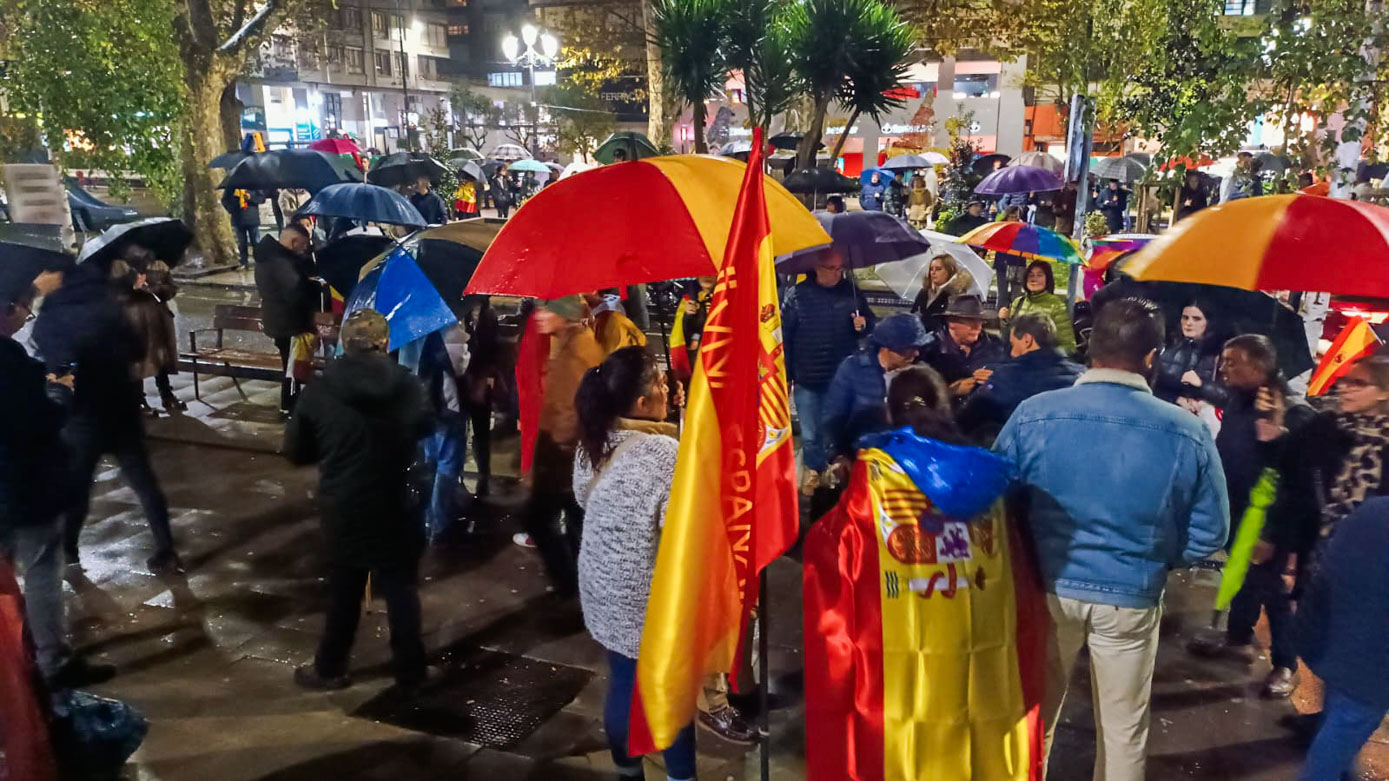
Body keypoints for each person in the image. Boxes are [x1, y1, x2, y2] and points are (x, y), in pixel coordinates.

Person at [994, 297, 1229, 781]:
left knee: (1032, 717)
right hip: (1131, 596)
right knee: (1123, 730)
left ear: (1090, 347)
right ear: (1151, 356)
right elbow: (1211, 531)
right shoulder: (1186, 430)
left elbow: (997, 506)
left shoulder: (1033, 414)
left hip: (1046, 588)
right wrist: (1154, 555)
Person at [803, 364, 1046, 781]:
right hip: (978, 635)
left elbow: (839, 545)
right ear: (945, 404)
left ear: (888, 411)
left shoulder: (878, 475)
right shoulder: (986, 475)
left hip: (905, 637)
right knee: (973, 727)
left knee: (911, 734)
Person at [571, 346, 702, 780]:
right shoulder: (662, 456)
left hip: (601, 583)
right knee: (668, 694)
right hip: (646, 594)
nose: (670, 387)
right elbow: (683, 526)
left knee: (623, 681)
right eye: (661, 385)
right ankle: (680, 775)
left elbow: (581, 496)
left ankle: (628, 770)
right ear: (643, 405)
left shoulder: (595, 437)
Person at [286, 310, 433, 691]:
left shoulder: (320, 389)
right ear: (385, 343)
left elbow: (297, 450)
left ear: (344, 344)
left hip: (344, 502)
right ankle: (411, 669)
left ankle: (330, 667)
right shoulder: (407, 384)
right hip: (396, 499)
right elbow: (427, 426)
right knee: (400, 587)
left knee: (345, 588)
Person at [0, 279, 116, 689]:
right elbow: (38, 422)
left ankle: (15, 658)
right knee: (43, 570)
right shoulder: (8, 361)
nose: (25, 318)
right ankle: (51, 663)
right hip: (23, 487)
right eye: (23, 310)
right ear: (8, 308)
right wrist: (58, 391)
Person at [31, 260, 182, 575]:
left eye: (44, 273)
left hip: (84, 413)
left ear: (58, 276)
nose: (40, 279)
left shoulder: (55, 313)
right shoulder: (106, 305)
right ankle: (165, 549)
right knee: (144, 482)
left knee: (79, 484)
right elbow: (137, 349)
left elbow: (51, 359)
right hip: (122, 407)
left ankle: (69, 547)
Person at [1187, 335, 1311, 698]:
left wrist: (1276, 435)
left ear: (1258, 367)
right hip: (1238, 509)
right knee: (1240, 574)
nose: (1223, 368)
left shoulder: (1289, 409)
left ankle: (1286, 664)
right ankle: (1237, 636)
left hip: (1269, 521)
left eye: (1232, 361)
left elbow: (1291, 480)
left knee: (1271, 590)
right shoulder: (1243, 399)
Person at [1294, 496, 1389, 781]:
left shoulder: (1373, 509)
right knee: (1343, 730)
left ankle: (1344, 772)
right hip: (1371, 664)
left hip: (1334, 640)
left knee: (1339, 719)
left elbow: (1326, 564)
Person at [517, 295, 604, 593]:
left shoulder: (576, 352)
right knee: (574, 521)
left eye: (547, 310)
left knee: (539, 519)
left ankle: (570, 585)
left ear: (564, 315)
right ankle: (578, 585)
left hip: (563, 459)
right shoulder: (572, 343)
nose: (539, 315)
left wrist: (554, 451)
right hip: (570, 459)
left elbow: (570, 412)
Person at [782, 252, 875, 494]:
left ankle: (832, 473)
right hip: (807, 376)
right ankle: (815, 470)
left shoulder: (851, 293)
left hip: (841, 378)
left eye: (839, 268)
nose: (837, 273)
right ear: (817, 268)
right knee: (811, 433)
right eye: (831, 268)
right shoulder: (797, 295)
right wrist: (787, 374)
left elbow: (870, 328)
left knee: (832, 430)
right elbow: (786, 338)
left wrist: (862, 326)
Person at [821, 313, 928, 472]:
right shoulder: (853, 369)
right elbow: (834, 417)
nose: (915, 354)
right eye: (908, 349)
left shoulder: (922, 374)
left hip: (905, 464)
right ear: (887, 348)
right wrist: (837, 455)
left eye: (917, 348)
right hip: (860, 461)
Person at [957, 313, 1082, 442]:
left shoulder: (1005, 377)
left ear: (1027, 340)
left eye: (1013, 344)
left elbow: (965, 421)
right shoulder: (1080, 375)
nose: (1012, 353)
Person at [253, 224, 318, 415]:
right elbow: (295, 292)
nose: (304, 249)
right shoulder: (280, 262)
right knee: (291, 368)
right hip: (289, 322)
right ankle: (290, 406)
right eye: (303, 245)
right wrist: (312, 287)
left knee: (290, 364)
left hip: (277, 319)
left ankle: (291, 404)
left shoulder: (267, 256)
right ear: (293, 242)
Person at [111, 249, 184, 414]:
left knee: (162, 357)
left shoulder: (159, 263)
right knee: (138, 360)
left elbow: (170, 288)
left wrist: (154, 288)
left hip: (159, 318)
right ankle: (138, 399)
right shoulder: (119, 265)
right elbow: (111, 294)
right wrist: (133, 287)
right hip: (134, 318)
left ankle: (167, 395)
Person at [918, 294, 1007, 398]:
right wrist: (951, 391)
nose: (978, 327)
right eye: (970, 321)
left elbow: (1009, 379)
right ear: (951, 322)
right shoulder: (928, 349)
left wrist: (996, 379)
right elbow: (917, 394)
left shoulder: (995, 345)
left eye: (980, 321)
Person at [1154, 300, 1230, 411]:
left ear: (1208, 323)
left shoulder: (1220, 354)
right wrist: (1176, 399)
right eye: (1185, 318)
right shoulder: (1167, 348)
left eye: (1196, 319)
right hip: (1168, 411)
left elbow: (1228, 397)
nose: (1189, 323)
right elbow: (1152, 385)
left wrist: (1201, 385)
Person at [460, 295, 501, 499]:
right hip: (462, 380)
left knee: (481, 431)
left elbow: (493, 349)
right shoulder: (461, 315)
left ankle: (484, 477)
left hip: (480, 380)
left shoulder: (489, 316)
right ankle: (460, 480)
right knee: (462, 430)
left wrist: (488, 376)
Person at [999, 260, 1076, 354]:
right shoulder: (1018, 302)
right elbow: (1008, 338)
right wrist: (1004, 320)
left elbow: (1068, 345)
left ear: (1047, 279)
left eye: (1039, 275)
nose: (1034, 279)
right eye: (1030, 275)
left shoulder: (1056, 305)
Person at [910, 253, 974, 322]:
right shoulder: (924, 292)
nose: (933, 272)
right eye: (931, 269)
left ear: (950, 271)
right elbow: (913, 313)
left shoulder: (956, 295)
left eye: (938, 269)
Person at [221, 186, 264, 269]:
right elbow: (225, 200)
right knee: (242, 242)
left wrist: (251, 197)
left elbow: (262, 198)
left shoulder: (253, 184)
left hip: (252, 217)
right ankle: (244, 262)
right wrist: (232, 206)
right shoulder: (232, 187)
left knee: (256, 241)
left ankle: (259, 261)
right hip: (238, 218)